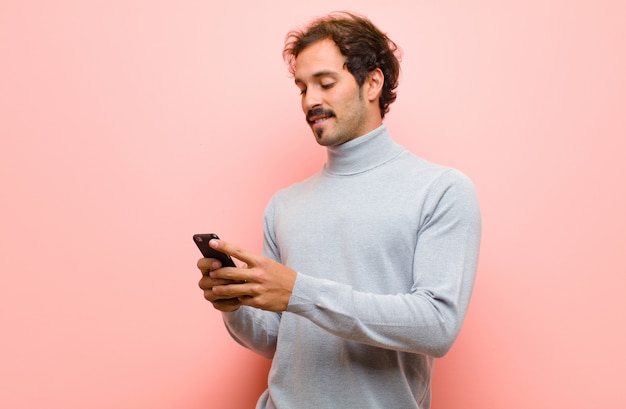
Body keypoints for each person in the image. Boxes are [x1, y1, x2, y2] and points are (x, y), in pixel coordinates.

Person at [197, 11, 481, 409]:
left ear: (373, 83)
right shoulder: (284, 204)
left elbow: (437, 326)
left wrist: (299, 291)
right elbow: (280, 341)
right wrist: (236, 307)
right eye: (301, 88)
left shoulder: (440, 190)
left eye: (326, 83)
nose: (310, 100)